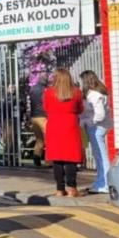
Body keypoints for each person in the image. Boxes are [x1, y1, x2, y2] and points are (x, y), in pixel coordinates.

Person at [44, 68, 85, 198]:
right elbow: (80, 109)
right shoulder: (76, 92)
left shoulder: (49, 93)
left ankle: (59, 189)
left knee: (57, 159)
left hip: (54, 126)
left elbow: (46, 108)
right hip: (70, 126)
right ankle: (72, 188)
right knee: (71, 159)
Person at [79, 70, 112, 194]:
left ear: (86, 81)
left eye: (82, 81)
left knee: (101, 156)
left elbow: (100, 115)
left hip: (97, 128)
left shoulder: (94, 95)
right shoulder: (98, 92)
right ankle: (100, 182)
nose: (81, 83)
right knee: (99, 156)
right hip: (99, 127)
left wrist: (88, 122)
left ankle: (105, 184)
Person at [29, 73, 49, 167]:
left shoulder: (32, 89)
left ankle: (36, 159)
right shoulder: (45, 90)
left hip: (34, 117)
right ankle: (50, 161)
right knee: (49, 139)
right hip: (43, 116)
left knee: (39, 139)